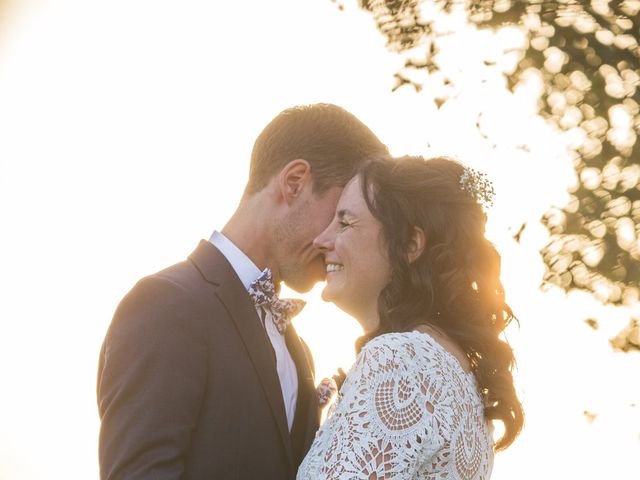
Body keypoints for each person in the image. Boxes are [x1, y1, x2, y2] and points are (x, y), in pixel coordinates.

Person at [96, 103, 389, 480]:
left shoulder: (299, 351)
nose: (336, 241)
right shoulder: (166, 305)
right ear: (295, 182)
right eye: (339, 216)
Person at [298, 156, 524, 479]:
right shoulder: (464, 383)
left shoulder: (398, 361)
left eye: (345, 223)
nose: (323, 240)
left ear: (409, 244)